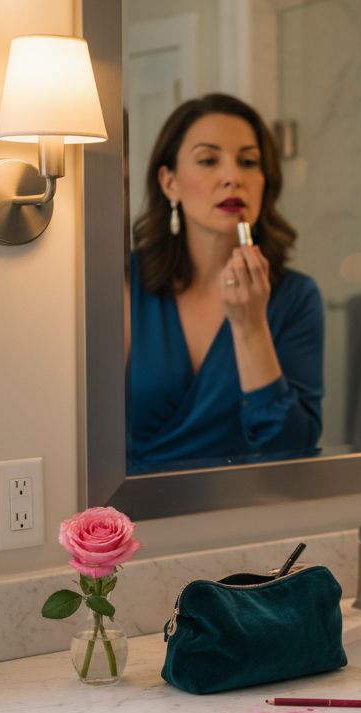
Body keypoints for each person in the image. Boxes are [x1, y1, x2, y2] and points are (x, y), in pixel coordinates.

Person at [126, 94, 323, 472]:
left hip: (249, 506)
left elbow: (293, 450)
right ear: (169, 183)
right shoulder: (123, 284)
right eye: (208, 160)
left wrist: (251, 326)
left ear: (265, 182)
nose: (233, 177)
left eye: (248, 162)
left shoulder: (296, 297)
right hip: (132, 507)